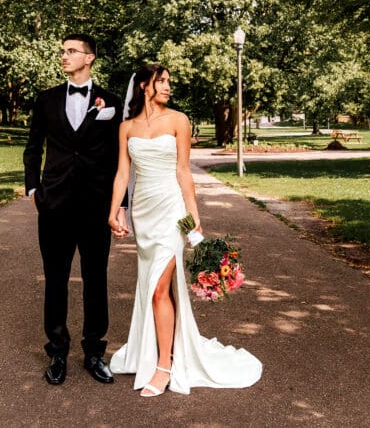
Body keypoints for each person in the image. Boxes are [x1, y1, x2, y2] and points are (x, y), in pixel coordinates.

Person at [107, 64, 262, 396]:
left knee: (159, 289)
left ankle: (163, 367)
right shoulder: (126, 128)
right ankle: (163, 350)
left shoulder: (179, 121)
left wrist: (193, 216)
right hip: (143, 213)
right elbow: (122, 173)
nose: (167, 87)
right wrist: (114, 213)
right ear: (144, 87)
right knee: (153, 285)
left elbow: (183, 172)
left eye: (168, 82)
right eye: (161, 81)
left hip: (171, 211)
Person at [23, 33, 125, 386]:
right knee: (55, 279)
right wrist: (34, 188)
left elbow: (120, 159)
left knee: (96, 279)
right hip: (54, 205)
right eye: (63, 51)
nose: (64, 56)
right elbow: (33, 147)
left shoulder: (111, 102)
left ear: (90, 57)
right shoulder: (46, 99)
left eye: (72, 51)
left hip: (96, 205)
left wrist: (119, 205)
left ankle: (95, 352)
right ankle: (57, 352)